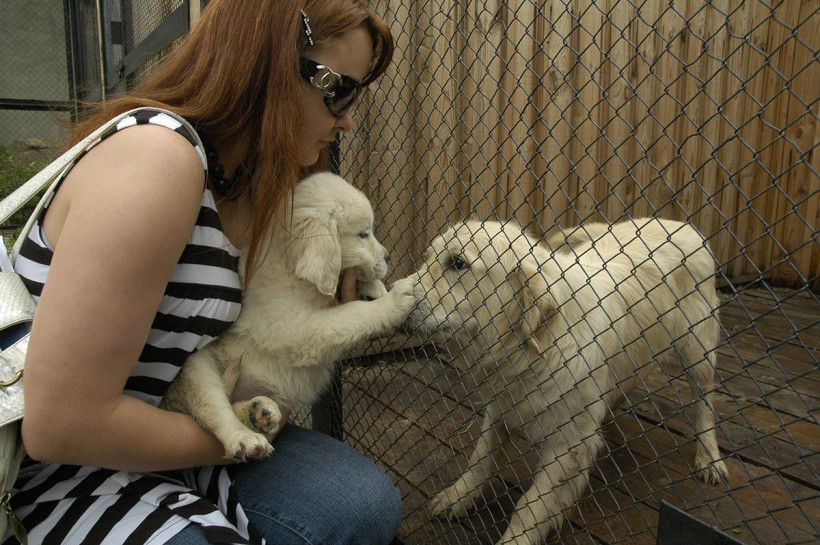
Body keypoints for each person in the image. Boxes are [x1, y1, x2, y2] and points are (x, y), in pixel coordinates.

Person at [6, 1, 402, 544]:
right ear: (270, 66)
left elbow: (265, 339)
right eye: (341, 91)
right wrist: (234, 437)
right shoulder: (158, 160)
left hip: (172, 420)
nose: (347, 119)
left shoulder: (254, 182)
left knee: (365, 505)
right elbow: (60, 427)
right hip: (50, 475)